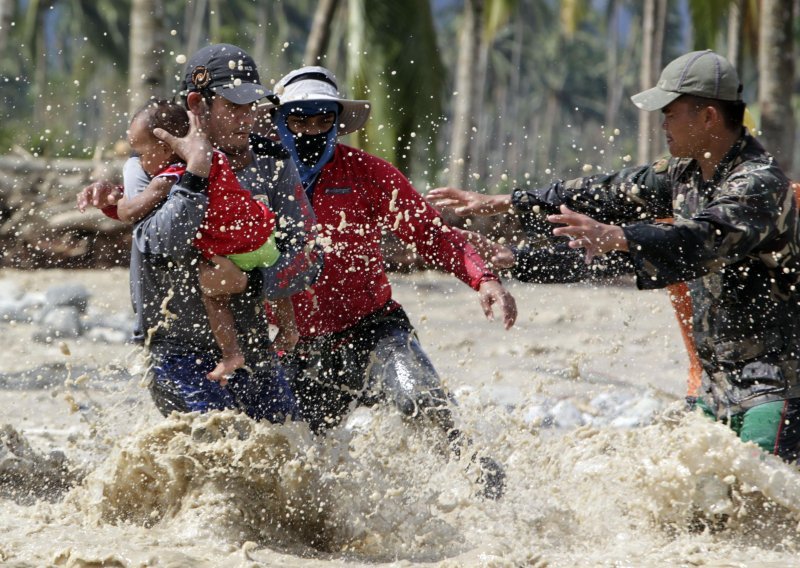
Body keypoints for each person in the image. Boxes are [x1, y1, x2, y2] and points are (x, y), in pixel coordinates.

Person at [429, 50, 800, 464]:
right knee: (698, 518)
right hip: (714, 388)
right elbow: (603, 193)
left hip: (776, 389)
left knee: (764, 511)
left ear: (708, 117)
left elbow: (698, 241)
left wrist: (619, 236)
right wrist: (506, 211)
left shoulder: (758, 184)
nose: (662, 123)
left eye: (670, 112)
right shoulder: (683, 173)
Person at [268, 66, 518, 497]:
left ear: (336, 123)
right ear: (279, 122)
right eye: (299, 120)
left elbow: (432, 235)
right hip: (291, 342)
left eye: (321, 120)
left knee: (419, 400)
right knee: (292, 461)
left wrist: (484, 279)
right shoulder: (258, 179)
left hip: (372, 329)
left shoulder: (368, 174)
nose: (311, 130)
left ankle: (481, 481)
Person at [77, 44, 322, 422]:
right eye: (233, 106)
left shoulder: (273, 163)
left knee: (287, 450)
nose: (246, 118)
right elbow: (158, 242)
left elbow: (306, 253)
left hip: (251, 345)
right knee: (214, 441)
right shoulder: (150, 165)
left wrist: (249, 282)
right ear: (198, 105)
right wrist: (195, 174)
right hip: (177, 350)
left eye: (251, 106)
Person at [120, 99, 297, 384]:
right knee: (273, 266)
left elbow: (132, 213)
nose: (139, 161)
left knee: (214, 295)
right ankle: (289, 329)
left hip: (228, 250)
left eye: (141, 152)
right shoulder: (221, 156)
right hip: (261, 233)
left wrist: (114, 206)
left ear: (165, 148)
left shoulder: (175, 174)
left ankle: (231, 355)